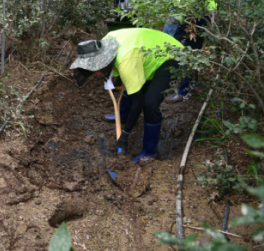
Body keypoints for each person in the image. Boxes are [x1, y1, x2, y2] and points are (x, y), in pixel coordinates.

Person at [71, 28, 183, 163]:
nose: (98, 74)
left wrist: (124, 135)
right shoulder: (105, 44)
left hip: (173, 56)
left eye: (97, 68)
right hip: (147, 54)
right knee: (131, 85)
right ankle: (123, 114)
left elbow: (138, 103)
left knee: (150, 103)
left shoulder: (126, 59)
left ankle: (149, 152)